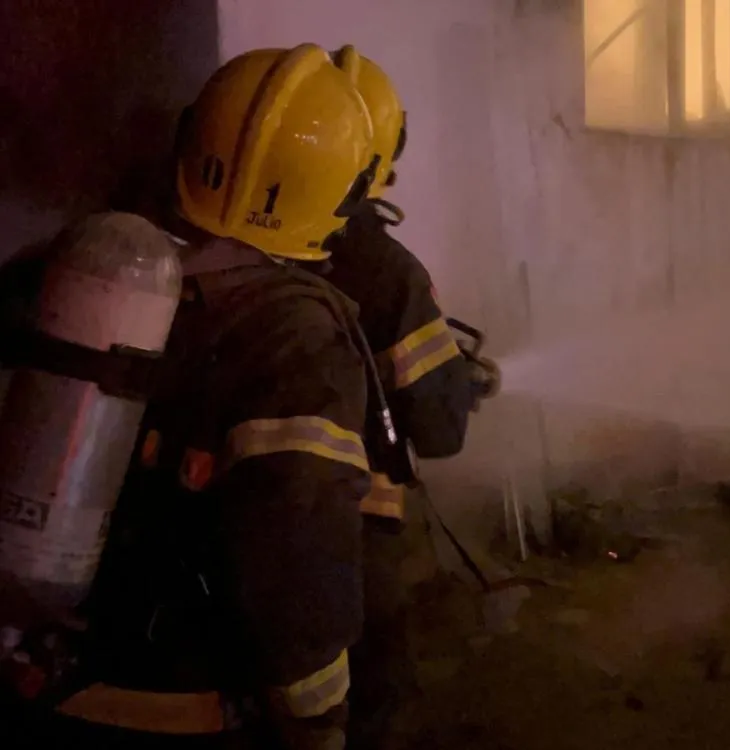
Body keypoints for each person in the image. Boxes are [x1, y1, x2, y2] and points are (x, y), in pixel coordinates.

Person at [2, 43, 380, 750]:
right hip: (175, 709)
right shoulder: (297, 340)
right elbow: (297, 570)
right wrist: (318, 726)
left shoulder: (68, 269)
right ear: (340, 197)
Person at [316, 47, 479, 750]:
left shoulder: (241, 255)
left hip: (239, 525)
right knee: (369, 692)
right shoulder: (387, 272)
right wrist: (461, 386)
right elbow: (438, 429)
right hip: (354, 532)